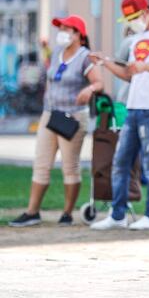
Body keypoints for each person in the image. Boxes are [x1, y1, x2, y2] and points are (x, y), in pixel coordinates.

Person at [90, 0, 149, 231]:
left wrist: (146, 66)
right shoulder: (135, 39)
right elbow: (129, 74)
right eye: (128, 18)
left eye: (134, 16)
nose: (132, 21)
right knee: (120, 161)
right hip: (133, 107)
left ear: (146, 12)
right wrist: (105, 63)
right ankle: (117, 214)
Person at [9, 16, 104, 227]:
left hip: (73, 116)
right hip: (50, 113)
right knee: (41, 163)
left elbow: (98, 82)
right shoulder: (57, 55)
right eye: (60, 28)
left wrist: (89, 89)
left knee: (70, 166)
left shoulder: (84, 57)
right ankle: (32, 211)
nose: (61, 32)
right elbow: (52, 75)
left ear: (78, 34)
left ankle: (67, 213)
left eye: (65, 29)